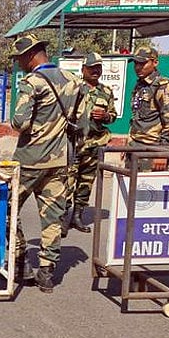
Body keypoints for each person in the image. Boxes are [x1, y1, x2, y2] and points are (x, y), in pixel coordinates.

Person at [8, 34, 81, 293]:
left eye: (19, 59)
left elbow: (20, 122)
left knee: (5, 208)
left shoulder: (33, 82)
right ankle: (47, 272)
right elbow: (80, 123)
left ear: (30, 55)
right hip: (60, 160)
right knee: (52, 217)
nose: (19, 64)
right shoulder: (73, 81)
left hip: (30, 161)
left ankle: (20, 262)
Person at [63, 52, 117, 236]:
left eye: (98, 68)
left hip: (94, 145)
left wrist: (106, 116)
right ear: (83, 69)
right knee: (66, 182)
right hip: (73, 145)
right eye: (92, 67)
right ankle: (62, 217)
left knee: (86, 183)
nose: (96, 71)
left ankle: (77, 216)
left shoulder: (106, 91)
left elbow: (113, 116)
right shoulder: (73, 89)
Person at [128, 46, 169, 172]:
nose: (138, 67)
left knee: (147, 190)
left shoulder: (164, 87)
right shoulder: (140, 85)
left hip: (151, 151)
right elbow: (136, 118)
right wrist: (128, 143)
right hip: (134, 148)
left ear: (155, 62)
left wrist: (162, 153)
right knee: (130, 190)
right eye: (136, 63)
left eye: (143, 63)